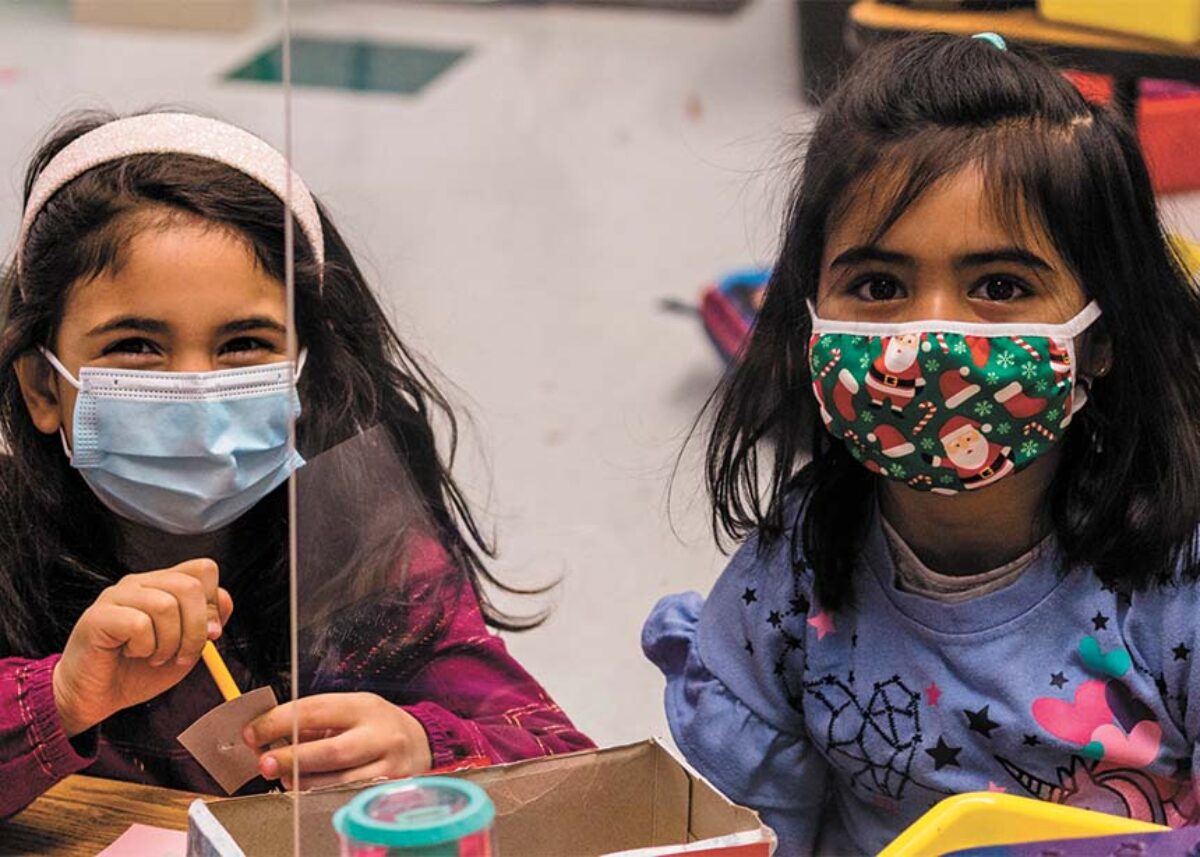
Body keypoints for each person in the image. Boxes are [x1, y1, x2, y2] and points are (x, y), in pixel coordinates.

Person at [644, 33, 1200, 854]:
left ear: (1104, 332)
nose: (926, 337)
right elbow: (752, 830)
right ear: (810, 314)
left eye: (1001, 287)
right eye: (879, 286)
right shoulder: (792, 574)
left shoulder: (1175, 581)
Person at [0, 110, 592, 817]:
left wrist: (424, 747)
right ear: (42, 386)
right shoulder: (10, 543)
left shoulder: (364, 555)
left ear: (302, 380)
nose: (195, 389)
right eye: (135, 345)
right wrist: (59, 699)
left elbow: (568, 765)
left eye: (245, 343)